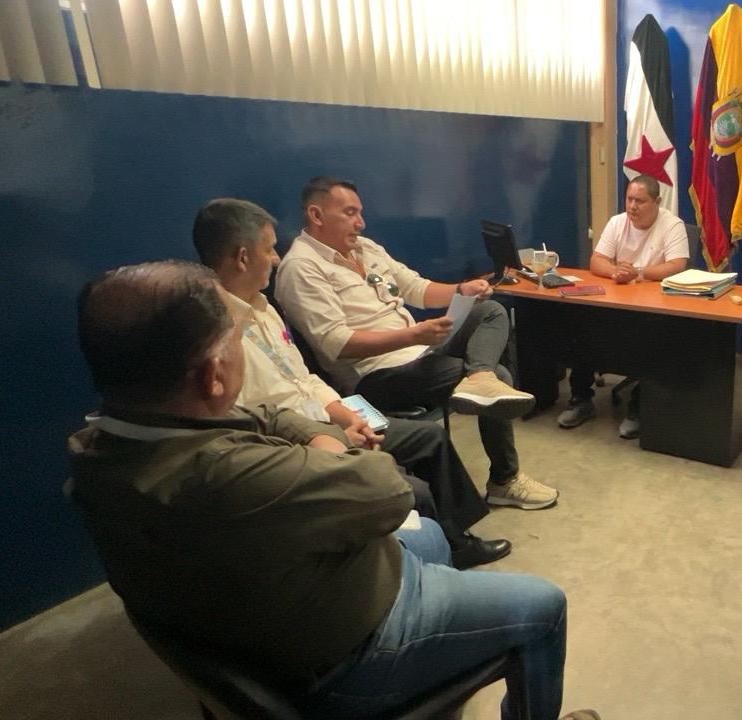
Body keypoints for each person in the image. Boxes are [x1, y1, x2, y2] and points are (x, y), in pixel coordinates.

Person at [68, 260, 597, 720]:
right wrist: (332, 445)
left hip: (270, 610)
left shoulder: (102, 447)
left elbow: (266, 413)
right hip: (342, 657)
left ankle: (448, 638)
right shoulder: (231, 475)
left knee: (433, 536)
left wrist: (320, 436)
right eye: (235, 340)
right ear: (212, 376)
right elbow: (388, 488)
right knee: (544, 606)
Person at [193, 198, 509, 569]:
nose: (275, 259)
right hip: (309, 428)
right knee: (410, 488)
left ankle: (456, 541)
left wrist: (346, 415)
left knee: (430, 437)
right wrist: (335, 434)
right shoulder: (215, 331)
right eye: (269, 249)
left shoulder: (263, 307)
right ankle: (423, 563)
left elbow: (304, 378)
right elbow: (252, 421)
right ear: (243, 258)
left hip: (333, 409)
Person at [275, 176, 559, 511]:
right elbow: (337, 344)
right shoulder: (301, 268)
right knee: (501, 375)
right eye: (350, 213)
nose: (360, 222)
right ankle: (504, 480)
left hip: (419, 350)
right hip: (375, 374)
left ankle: (480, 377)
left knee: (490, 311)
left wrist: (462, 289)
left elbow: (416, 288)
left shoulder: (365, 248)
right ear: (316, 215)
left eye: (360, 212)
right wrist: (414, 335)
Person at [556, 175, 689, 438]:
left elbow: (677, 266)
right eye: (629, 199)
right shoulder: (617, 222)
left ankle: (638, 407)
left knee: (652, 340)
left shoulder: (672, 225)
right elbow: (597, 261)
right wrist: (616, 271)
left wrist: (637, 272)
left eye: (640, 201)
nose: (632, 206)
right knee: (583, 329)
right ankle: (581, 400)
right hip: (618, 301)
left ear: (657, 202)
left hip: (655, 308)